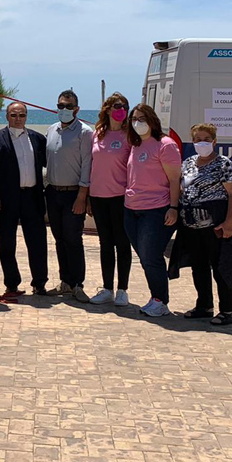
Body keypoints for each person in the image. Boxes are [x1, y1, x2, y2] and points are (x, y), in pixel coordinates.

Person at [169, 124, 232, 325]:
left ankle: (227, 310)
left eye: (206, 139)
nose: (202, 142)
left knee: (221, 267)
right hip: (191, 223)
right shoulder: (188, 163)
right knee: (198, 266)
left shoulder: (223, 164)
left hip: (216, 222)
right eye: (198, 139)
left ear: (214, 141)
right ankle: (204, 305)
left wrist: (230, 221)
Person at [124, 104, 182, 317]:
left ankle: (160, 300)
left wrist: (173, 208)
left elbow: (175, 179)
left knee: (151, 255)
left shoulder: (165, 145)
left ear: (152, 120)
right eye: (134, 119)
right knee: (145, 256)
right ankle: (155, 296)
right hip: (132, 209)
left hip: (157, 209)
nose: (138, 123)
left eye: (142, 118)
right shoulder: (136, 144)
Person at [0, 102, 48, 299]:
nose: (18, 118)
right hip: (6, 198)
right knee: (7, 243)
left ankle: (39, 283)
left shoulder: (38, 139)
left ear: (27, 116)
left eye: (21, 115)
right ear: (7, 116)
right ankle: (12, 284)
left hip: (32, 197)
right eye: (14, 115)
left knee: (37, 242)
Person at [44, 90, 93, 303]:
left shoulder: (85, 132)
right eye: (61, 105)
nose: (64, 109)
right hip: (53, 192)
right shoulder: (51, 129)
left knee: (73, 239)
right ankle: (65, 281)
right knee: (59, 239)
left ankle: (78, 284)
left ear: (77, 109)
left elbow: (87, 165)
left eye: (68, 106)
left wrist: (83, 196)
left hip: (74, 193)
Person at [87, 93, 133, 306]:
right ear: (107, 109)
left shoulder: (129, 136)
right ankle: (107, 288)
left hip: (120, 197)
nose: (120, 109)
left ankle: (122, 289)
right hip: (98, 196)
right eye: (116, 106)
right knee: (105, 244)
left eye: (124, 106)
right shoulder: (98, 134)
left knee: (122, 244)